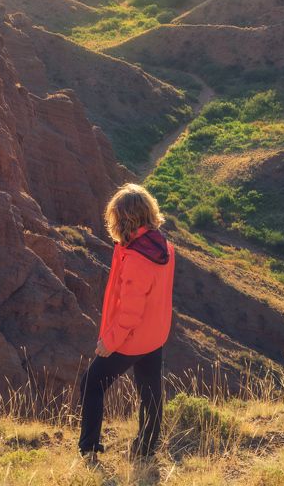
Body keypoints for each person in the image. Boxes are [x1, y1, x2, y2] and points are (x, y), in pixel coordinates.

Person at [78, 183, 175, 462]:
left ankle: (88, 450)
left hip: (130, 338)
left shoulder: (136, 258)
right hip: (155, 334)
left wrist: (109, 342)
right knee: (150, 394)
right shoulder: (162, 247)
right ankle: (145, 450)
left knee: (91, 384)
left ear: (123, 219)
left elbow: (130, 313)